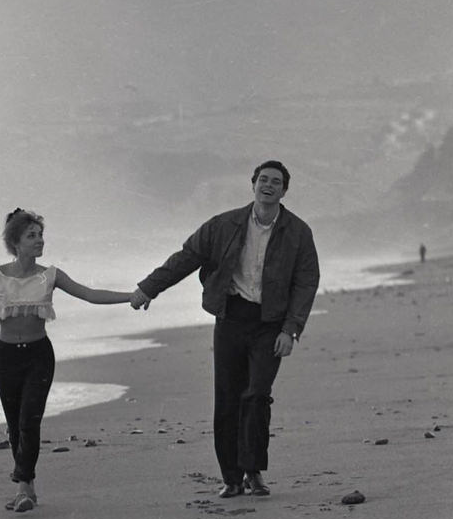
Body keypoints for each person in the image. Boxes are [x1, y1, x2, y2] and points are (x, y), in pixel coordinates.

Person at [131, 161, 319, 498]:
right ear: (253, 185)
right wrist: (148, 288)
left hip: (271, 323)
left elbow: (306, 282)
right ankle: (232, 478)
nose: (269, 186)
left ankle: (254, 470)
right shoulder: (225, 224)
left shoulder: (298, 232)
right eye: (263, 180)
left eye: (276, 182)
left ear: (285, 190)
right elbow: (186, 257)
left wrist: (290, 330)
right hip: (231, 316)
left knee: (258, 394)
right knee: (228, 399)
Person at [0, 208, 132, 512]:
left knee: (29, 420)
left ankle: (22, 486)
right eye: (32, 236)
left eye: (40, 235)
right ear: (15, 242)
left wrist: (131, 296)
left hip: (38, 355)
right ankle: (29, 487)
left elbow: (89, 294)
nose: (39, 240)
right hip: (5, 357)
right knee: (14, 425)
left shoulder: (51, 275)